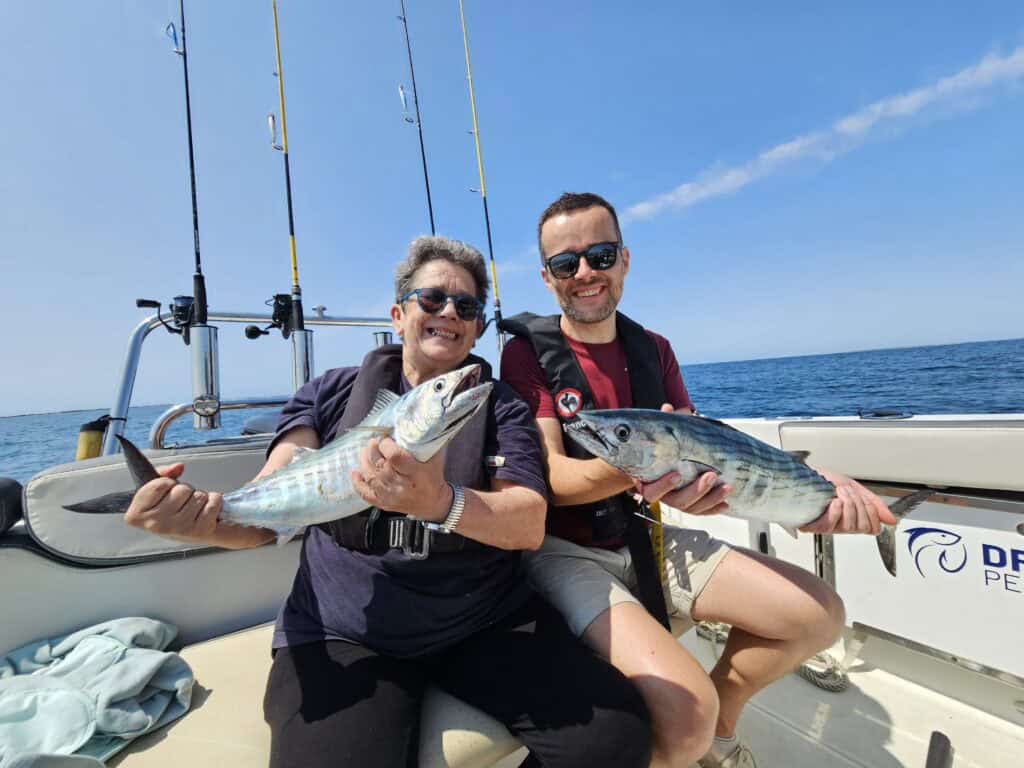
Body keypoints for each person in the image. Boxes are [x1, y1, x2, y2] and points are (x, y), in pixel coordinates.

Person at [124, 235, 653, 768]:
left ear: (475, 328)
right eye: (432, 299)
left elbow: (528, 523)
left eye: (466, 306)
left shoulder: (499, 407)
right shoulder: (329, 393)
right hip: (344, 630)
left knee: (615, 737)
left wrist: (440, 502)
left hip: (482, 620)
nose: (449, 312)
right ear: (398, 316)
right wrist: (199, 523)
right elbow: (268, 510)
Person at [499, 193, 897, 768]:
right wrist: (644, 460)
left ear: (625, 259)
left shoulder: (655, 350)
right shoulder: (525, 355)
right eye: (566, 263)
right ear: (547, 277)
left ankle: (722, 725)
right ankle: (696, 733)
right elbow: (553, 478)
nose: (584, 273)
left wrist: (804, 484)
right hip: (567, 552)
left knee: (818, 616)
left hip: (651, 535)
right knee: (685, 717)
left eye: (600, 255)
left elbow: (707, 463)